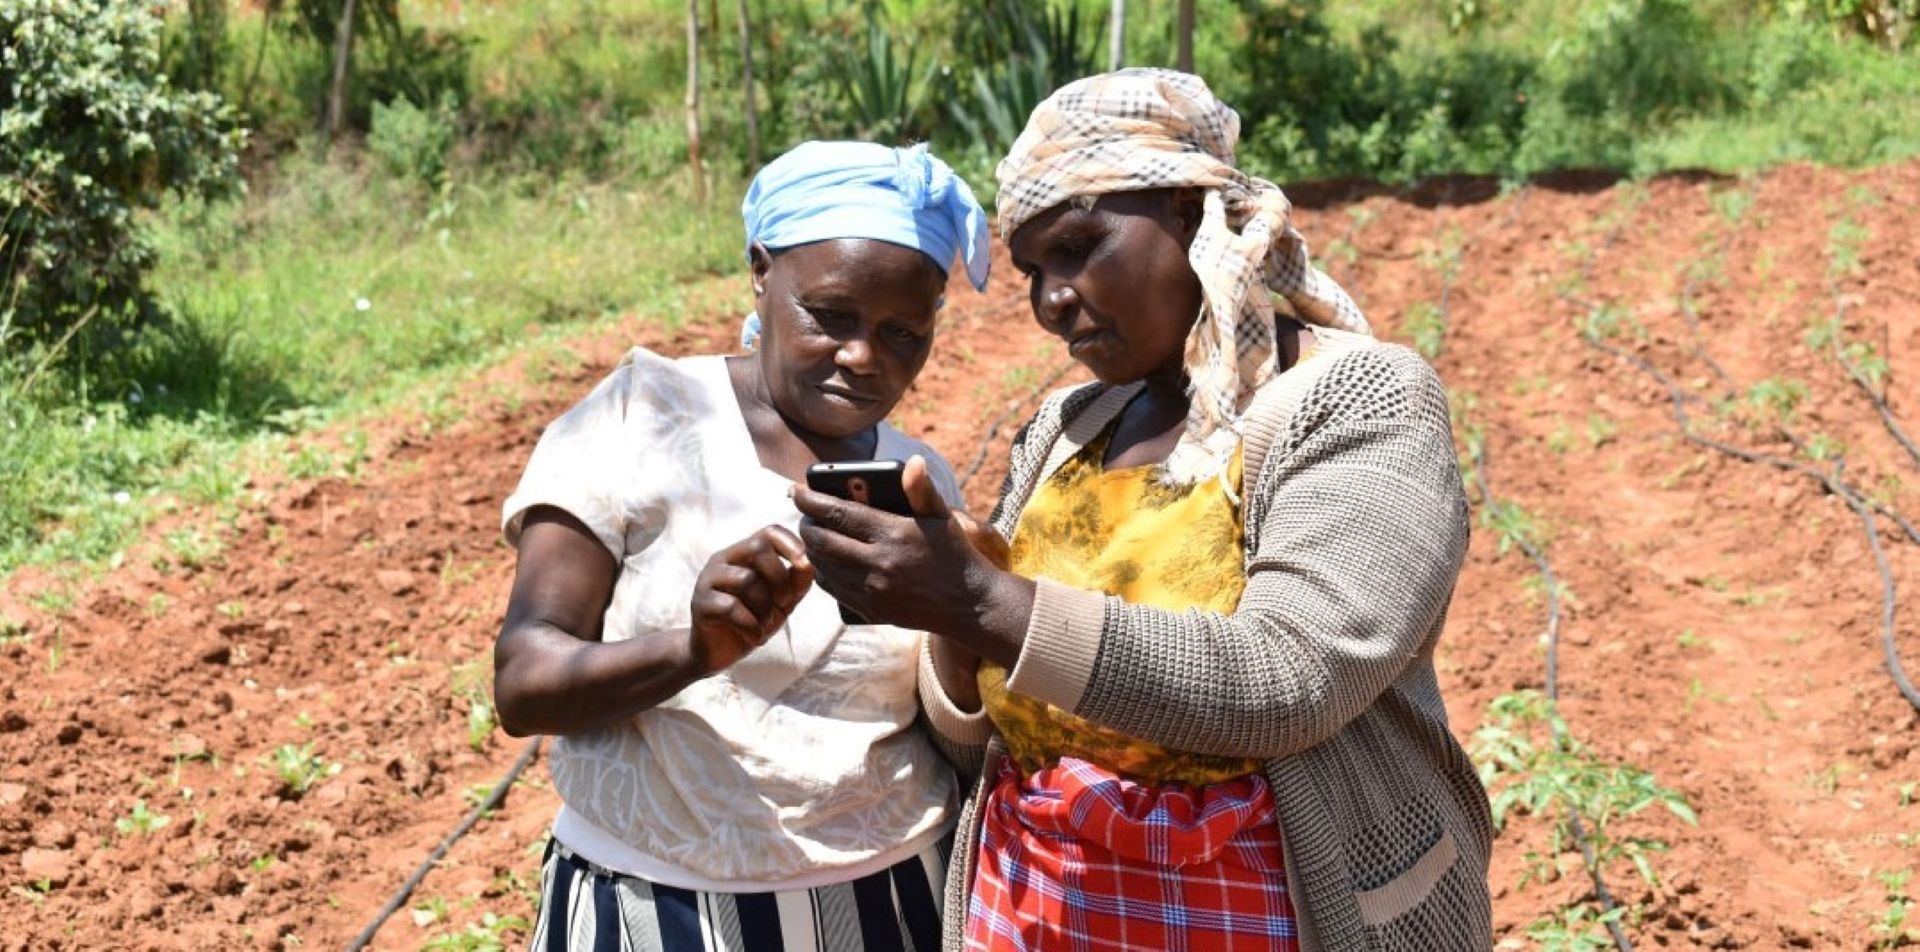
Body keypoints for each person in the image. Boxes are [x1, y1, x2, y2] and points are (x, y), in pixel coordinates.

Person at [792, 70, 1493, 950]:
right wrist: (952, 619)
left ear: (1192, 214)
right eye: (1032, 269)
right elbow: (990, 739)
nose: (1051, 299)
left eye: (1080, 247)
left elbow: (1289, 683)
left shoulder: (1353, 398)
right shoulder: (1069, 427)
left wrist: (978, 599)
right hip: (1039, 910)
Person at [492, 140, 990, 951]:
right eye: (830, 317)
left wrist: (965, 604)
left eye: (905, 333)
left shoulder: (917, 477)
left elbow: (949, 722)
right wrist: (691, 650)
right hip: (663, 910)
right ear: (762, 271)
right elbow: (523, 682)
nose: (864, 356)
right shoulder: (641, 416)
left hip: (892, 901)